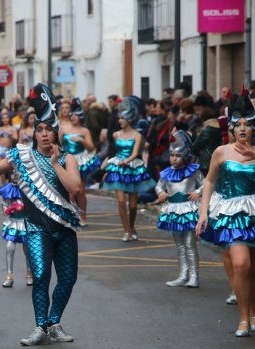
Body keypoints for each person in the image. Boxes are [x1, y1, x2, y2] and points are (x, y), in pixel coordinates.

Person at [0, 83, 82, 346]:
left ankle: (54, 323)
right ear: (34, 132)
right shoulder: (22, 156)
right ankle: (40, 327)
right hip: (36, 227)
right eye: (39, 130)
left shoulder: (67, 159)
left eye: (48, 130)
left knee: (68, 278)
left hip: (63, 229)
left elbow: (74, 188)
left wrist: (55, 163)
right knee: (40, 275)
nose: (43, 134)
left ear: (56, 132)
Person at [196, 91, 255, 337]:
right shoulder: (221, 152)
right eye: (239, 125)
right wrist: (203, 214)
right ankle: (244, 318)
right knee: (241, 263)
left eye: (248, 125)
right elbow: (209, 182)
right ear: (232, 129)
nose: (243, 129)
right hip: (231, 213)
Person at [103, 96, 155, 241]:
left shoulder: (137, 135)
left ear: (129, 119)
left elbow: (135, 153)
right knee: (120, 201)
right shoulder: (115, 135)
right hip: (118, 168)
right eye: (119, 118)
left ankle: (132, 227)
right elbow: (114, 151)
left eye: (122, 119)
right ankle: (126, 231)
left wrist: (126, 161)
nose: (120, 121)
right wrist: (110, 167)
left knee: (133, 205)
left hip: (132, 167)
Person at [156, 130, 204, 287]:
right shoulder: (166, 173)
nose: (174, 159)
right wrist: (161, 192)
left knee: (190, 244)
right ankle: (182, 275)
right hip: (173, 210)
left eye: (178, 156)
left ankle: (194, 276)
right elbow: (158, 186)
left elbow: (206, 184)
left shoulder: (193, 171)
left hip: (189, 210)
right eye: (172, 156)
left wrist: (197, 192)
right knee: (179, 245)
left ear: (185, 156)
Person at [59, 98, 100, 226]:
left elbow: (92, 148)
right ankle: (69, 215)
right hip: (67, 159)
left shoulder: (84, 131)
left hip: (80, 161)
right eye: (72, 115)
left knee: (80, 190)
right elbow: (58, 144)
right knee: (68, 191)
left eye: (76, 115)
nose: (73, 117)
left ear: (81, 117)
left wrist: (82, 140)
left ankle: (83, 217)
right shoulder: (63, 128)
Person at [0, 172, 33, 288]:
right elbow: (4, 209)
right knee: (9, 247)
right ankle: (9, 276)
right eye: (13, 174)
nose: (15, 177)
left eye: (18, 174)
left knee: (28, 249)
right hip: (12, 223)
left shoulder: (28, 188)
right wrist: (12, 208)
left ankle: (29, 274)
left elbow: (34, 206)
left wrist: (24, 207)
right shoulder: (8, 190)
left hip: (25, 222)